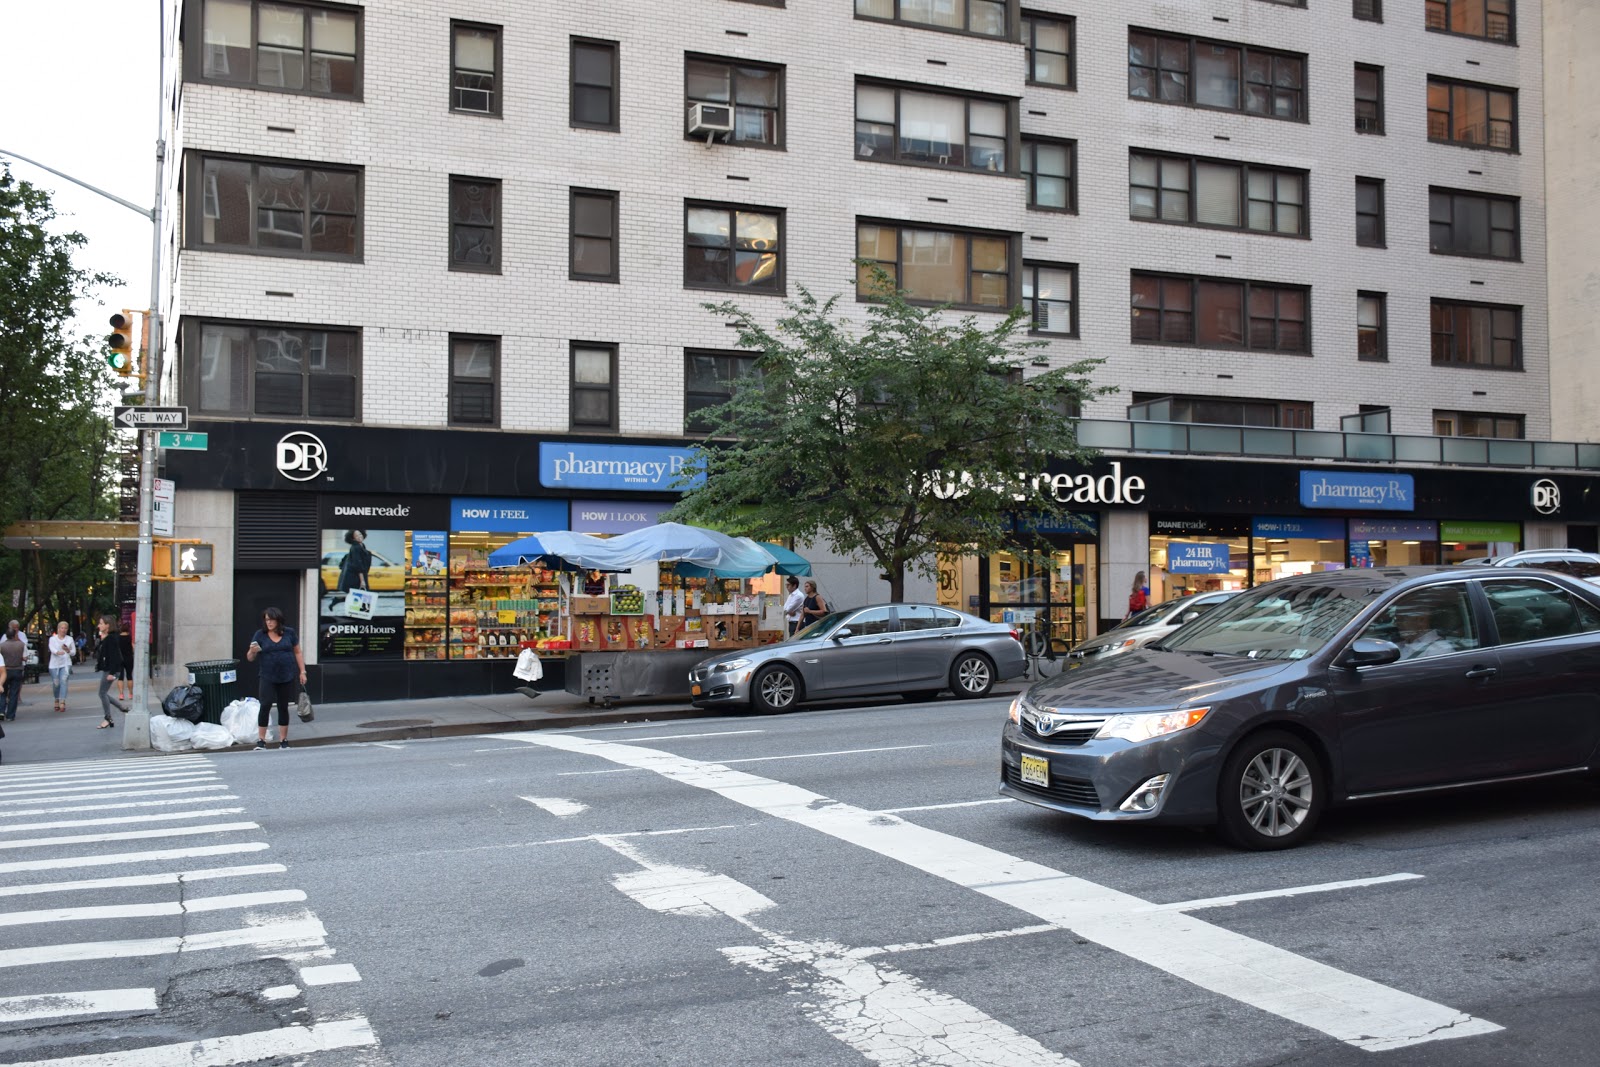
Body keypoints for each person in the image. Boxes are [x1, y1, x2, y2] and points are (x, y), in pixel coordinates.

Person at [246, 606, 306, 750]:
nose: (269, 623)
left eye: (271, 620)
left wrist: (302, 671)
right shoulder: (260, 635)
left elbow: (297, 652)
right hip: (267, 675)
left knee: (283, 707)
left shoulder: (289, 633)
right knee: (265, 705)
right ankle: (261, 740)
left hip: (286, 675)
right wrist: (252, 651)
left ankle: (283, 740)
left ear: (278, 620)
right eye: (266, 620)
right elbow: (249, 658)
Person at [94, 615, 129, 728]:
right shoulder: (109, 637)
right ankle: (121, 707)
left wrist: (112, 673)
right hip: (110, 669)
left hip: (111, 670)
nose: (99, 625)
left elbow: (116, 658)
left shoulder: (111, 639)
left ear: (107, 625)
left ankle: (107, 718)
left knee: (102, 693)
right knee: (103, 693)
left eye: (101, 623)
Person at [0, 621, 26, 721]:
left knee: (2, 692)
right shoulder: (21, 645)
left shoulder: (1, 646)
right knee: (14, 693)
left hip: (4, 670)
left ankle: (1, 711)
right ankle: (11, 715)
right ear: (15, 634)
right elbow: (25, 657)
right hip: (17, 670)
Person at [47, 620, 74, 713]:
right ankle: (56, 699)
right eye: (62, 628)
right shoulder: (52, 639)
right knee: (56, 683)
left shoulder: (70, 639)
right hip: (54, 664)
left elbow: (73, 652)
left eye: (65, 628)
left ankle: (62, 701)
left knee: (64, 681)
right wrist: (57, 652)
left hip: (66, 663)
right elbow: (52, 648)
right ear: (58, 629)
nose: (63, 630)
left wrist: (67, 650)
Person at [117, 627, 135, 702]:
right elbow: (133, 648)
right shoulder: (130, 637)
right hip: (129, 658)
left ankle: (121, 694)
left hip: (119, 659)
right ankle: (130, 694)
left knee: (120, 677)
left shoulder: (117, 638)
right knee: (129, 676)